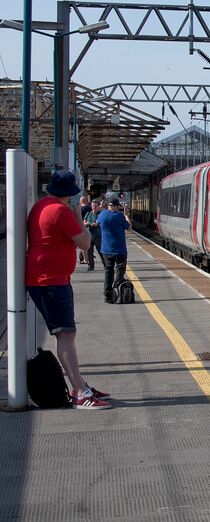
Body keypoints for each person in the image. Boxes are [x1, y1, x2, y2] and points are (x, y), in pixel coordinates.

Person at [26, 170, 111, 410]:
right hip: (49, 280)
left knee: (65, 334)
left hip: (50, 278)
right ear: (70, 195)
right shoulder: (60, 211)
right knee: (64, 334)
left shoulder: (41, 205)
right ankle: (81, 393)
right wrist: (76, 215)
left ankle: (80, 385)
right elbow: (85, 243)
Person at [99, 197, 132, 303]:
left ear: (108, 206)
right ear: (117, 207)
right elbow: (129, 227)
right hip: (119, 250)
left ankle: (107, 294)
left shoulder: (102, 215)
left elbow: (98, 222)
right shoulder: (119, 216)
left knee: (108, 271)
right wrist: (126, 215)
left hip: (106, 249)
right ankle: (118, 291)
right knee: (119, 271)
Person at [83, 199, 104, 271]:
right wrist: (88, 224)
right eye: (93, 205)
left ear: (98, 206)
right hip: (90, 236)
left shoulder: (100, 214)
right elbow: (84, 223)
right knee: (89, 252)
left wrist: (96, 224)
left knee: (101, 251)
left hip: (98, 236)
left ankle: (105, 264)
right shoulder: (88, 214)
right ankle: (91, 265)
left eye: (95, 205)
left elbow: (102, 223)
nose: (94, 207)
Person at [77, 196, 91, 264]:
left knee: (83, 244)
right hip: (91, 227)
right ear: (86, 201)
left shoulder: (79, 210)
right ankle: (88, 257)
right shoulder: (91, 209)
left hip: (81, 227)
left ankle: (85, 258)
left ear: (80, 202)